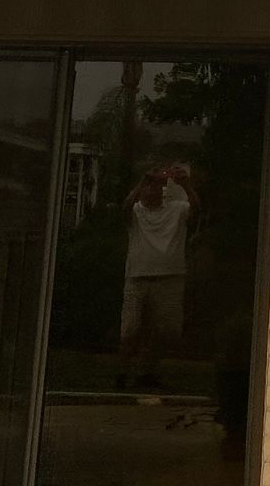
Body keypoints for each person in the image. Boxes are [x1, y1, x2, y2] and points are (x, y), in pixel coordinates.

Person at [118, 163, 197, 389]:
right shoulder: (136, 211)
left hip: (170, 276)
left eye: (158, 186)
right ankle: (123, 373)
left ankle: (146, 370)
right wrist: (143, 182)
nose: (154, 190)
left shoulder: (176, 208)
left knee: (169, 330)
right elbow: (124, 209)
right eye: (149, 186)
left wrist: (185, 185)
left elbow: (197, 210)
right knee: (130, 328)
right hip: (138, 276)